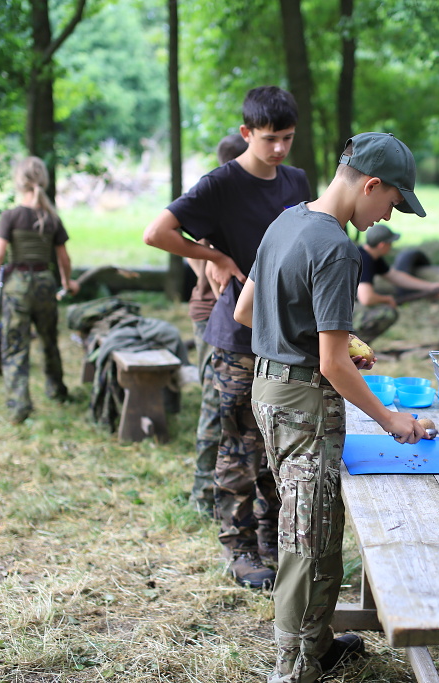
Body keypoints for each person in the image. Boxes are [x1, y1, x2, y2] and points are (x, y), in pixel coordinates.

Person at [233, 131, 428, 683]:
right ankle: (292, 667)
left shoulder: (286, 221)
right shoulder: (339, 249)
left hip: (269, 391)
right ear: (370, 184)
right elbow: (334, 365)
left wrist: (334, 339)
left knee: (315, 520)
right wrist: (392, 420)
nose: (387, 215)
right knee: (306, 537)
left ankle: (316, 642)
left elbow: (248, 310)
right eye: (391, 202)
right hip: (304, 404)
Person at [143, 86, 309, 589]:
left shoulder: (297, 181)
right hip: (235, 337)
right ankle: (238, 552)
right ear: (245, 134)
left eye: (286, 138)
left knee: (276, 443)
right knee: (238, 447)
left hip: (285, 337)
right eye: (268, 139)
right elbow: (157, 232)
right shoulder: (220, 184)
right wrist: (214, 257)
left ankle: (270, 543)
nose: (278, 149)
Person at [0, 156, 79, 424]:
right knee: (49, 341)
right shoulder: (52, 218)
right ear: (43, 180)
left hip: (17, 286)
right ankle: (57, 390)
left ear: (19, 182)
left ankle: (19, 405)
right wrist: (67, 282)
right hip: (44, 283)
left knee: (15, 345)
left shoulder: (10, 216)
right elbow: (63, 258)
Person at [187, 132, 250, 518]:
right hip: (213, 316)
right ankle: (202, 494)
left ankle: (212, 489)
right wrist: (213, 261)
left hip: (223, 317)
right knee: (214, 405)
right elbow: (202, 261)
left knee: (221, 407)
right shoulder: (219, 198)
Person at [353, 223, 439, 343]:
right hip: (342, 310)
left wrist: (430, 287)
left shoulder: (371, 256)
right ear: (382, 245)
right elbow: (366, 298)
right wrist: (387, 299)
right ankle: (354, 346)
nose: (391, 246)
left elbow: (397, 277)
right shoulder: (365, 260)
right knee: (387, 313)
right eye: (390, 243)